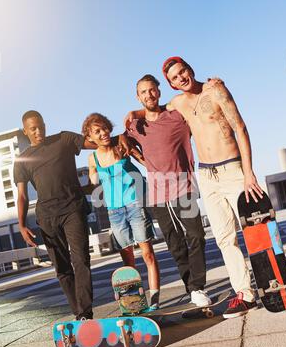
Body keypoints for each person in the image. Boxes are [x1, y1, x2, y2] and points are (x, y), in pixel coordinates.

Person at [160, 56, 263, 318]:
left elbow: (240, 128)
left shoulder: (215, 89)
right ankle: (245, 293)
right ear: (171, 84)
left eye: (182, 71)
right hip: (207, 176)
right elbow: (154, 112)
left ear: (190, 69)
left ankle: (273, 281)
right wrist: (133, 114)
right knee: (224, 238)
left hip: (233, 170)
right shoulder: (177, 103)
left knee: (255, 230)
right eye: (174, 77)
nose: (180, 77)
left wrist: (248, 173)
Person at [13, 110, 130, 320]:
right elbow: (21, 195)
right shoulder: (22, 160)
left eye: (41, 125)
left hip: (73, 209)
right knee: (62, 268)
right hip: (47, 217)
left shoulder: (64, 139)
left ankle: (85, 312)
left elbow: (97, 144)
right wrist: (22, 224)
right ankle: (78, 311)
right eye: (33, 128)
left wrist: (118, 138)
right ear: (25, 131)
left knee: (81, 260)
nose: (38, 131)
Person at [124, 74, 212, 307]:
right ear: (138, 96)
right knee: (175, 244)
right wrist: (137, 155)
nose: (149, 95)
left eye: (152, 90)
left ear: (159, 92)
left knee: (196, 236)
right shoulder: (135, 126)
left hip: (184, 186)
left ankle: (198, 286)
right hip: (158, 194)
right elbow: (122, 141)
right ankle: (192, 288)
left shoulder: (177, 116)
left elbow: (195, 102)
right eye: (143, 92)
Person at [82, 112, 160, 309]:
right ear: (90, 137)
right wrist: (92, 178)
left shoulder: (122, 145)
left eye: (105, 128)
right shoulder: (93, 158)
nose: (103, 133)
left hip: (134, 204)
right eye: (97, 131)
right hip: (114, 211)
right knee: (128, 262)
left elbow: (144, 161)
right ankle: (134, 302)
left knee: (147, 254)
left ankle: (155, 300)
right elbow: (93, 181)